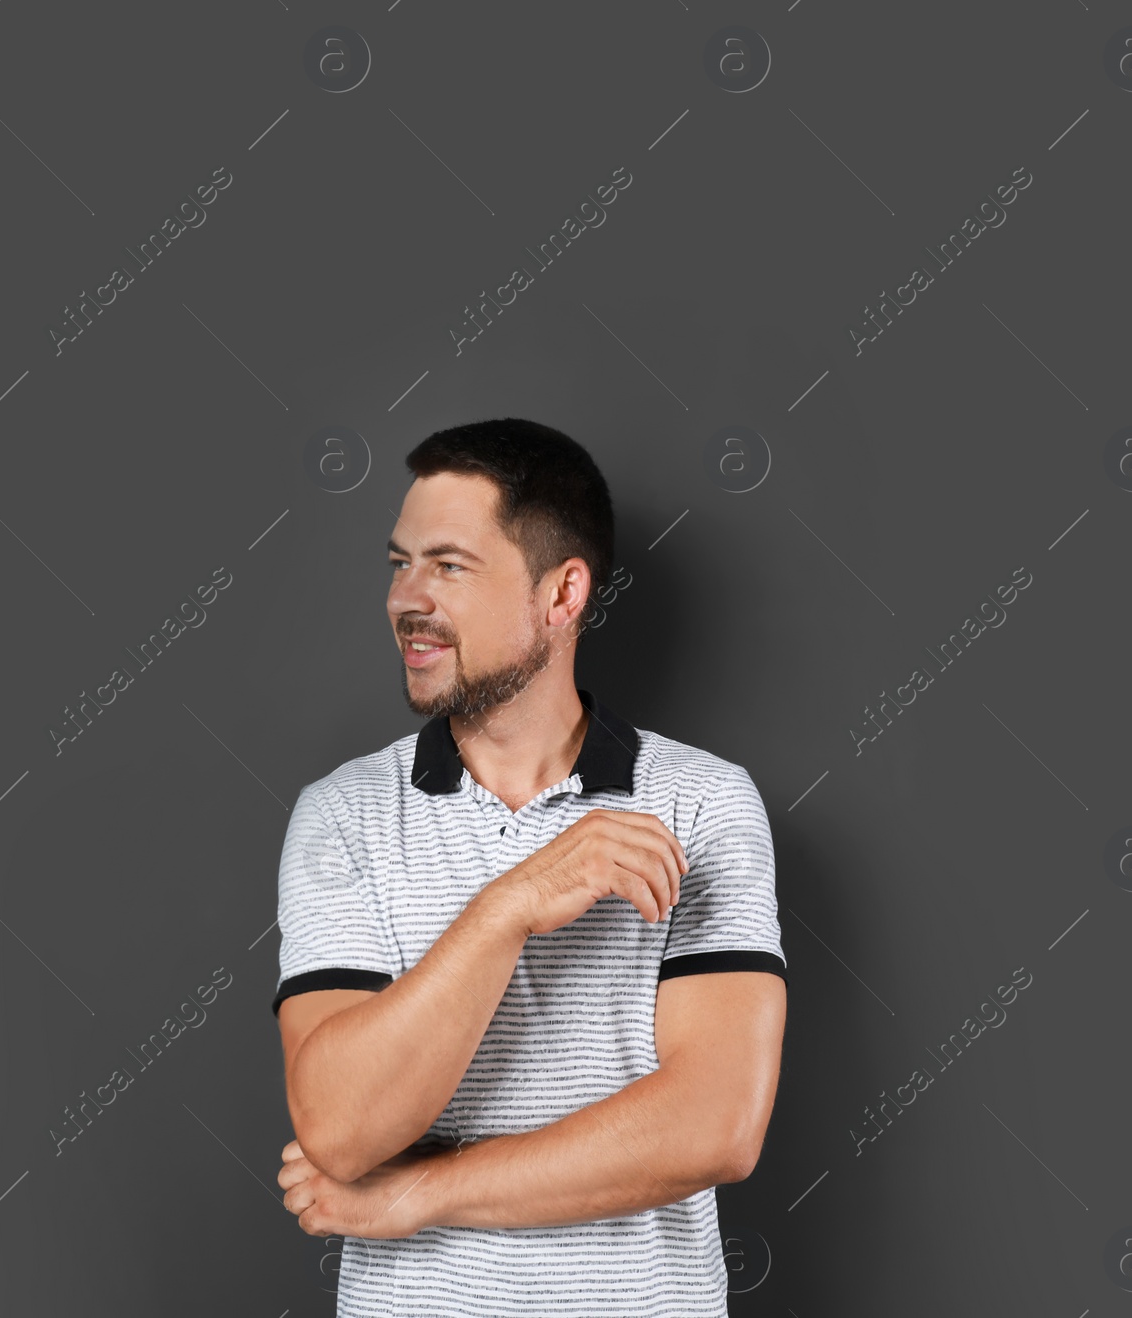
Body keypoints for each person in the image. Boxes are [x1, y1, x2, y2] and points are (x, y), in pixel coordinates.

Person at [273, 417, 788, 1316]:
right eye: (400, 564)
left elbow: (713, 1127)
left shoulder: (705, 803)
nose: (407, 598)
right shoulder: (342, 813)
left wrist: (418, 1193)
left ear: (563, 596)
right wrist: (512, 904)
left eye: (449, 565)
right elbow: (342, 1130)